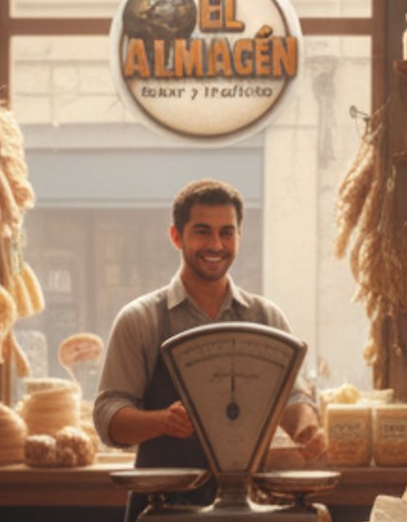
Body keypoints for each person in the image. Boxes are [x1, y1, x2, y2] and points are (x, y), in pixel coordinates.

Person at [94, 178, 326, 479]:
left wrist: (306, 426)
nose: (216, 245)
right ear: (176, 236)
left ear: (239, 237)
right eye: (202, 232)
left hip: (251, 504)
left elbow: (292, 396)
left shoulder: (266, 317)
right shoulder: (140, 320)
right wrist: (163, 421)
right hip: (164, 508)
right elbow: (107, 417)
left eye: (226, 233)